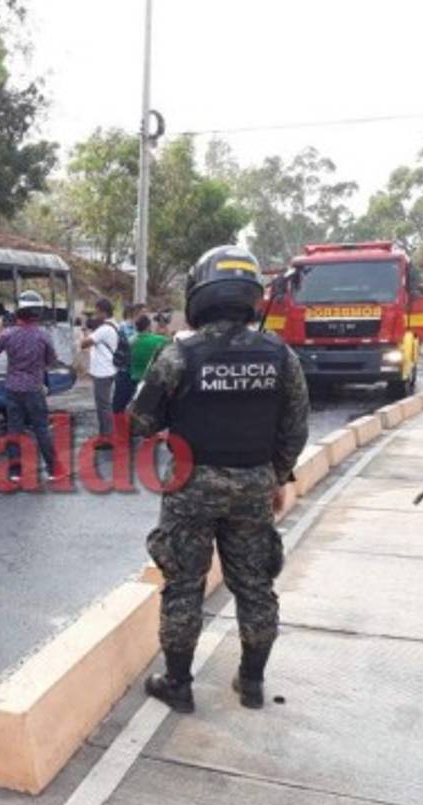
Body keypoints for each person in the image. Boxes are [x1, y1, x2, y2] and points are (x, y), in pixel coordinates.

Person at [131, 245, 309, 712]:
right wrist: (276, 475)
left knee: (183, 586)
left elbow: (140, 422)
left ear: (200, 293)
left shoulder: (178, 354)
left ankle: (177, 684)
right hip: (254, 485)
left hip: (190, 488)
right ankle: (251, 683)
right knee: (254, 585)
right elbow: (296, 427)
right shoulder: (280, 355)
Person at [0, 290, 64, 483]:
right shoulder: (43, 336)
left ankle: (15, 471)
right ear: (37, 313)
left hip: (12, 388)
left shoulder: (7, 334)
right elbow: (52, 361)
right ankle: (53, 470)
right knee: (41, 429)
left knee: (14, 429)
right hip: (34, 388)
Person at [80, 297, 121, 435]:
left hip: (103, 372)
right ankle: (106, 434)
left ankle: (107, 436)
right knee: (105, 404)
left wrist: (85, 329)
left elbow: (84, 344)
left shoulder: (104, 329)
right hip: (109, 369)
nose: (96, 315)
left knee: (103, 406)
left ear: (103, 312)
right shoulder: (115, 325)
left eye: (97, 312)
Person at [129, 312, 170, 385]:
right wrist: (165, 327)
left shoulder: (131, 340)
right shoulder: (158, 340)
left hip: (133, 378)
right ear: (148, 326)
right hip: (148, 380)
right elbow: (170, 343)